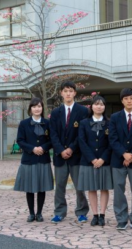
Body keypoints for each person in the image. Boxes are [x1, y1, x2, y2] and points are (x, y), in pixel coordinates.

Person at [49, 81, 89, 223]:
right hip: (60, 156)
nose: (68, 93)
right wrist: (61, 150)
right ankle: (59, 212)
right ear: (61, 93)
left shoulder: (83, 111)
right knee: (59, 186)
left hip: (76, 155)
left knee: (80, 186)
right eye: (65, 91)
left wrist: (71, 148)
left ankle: (82, 211)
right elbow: (52, 134)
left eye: (71, 91)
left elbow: (82, 134)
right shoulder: (55, 113)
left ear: (75, 93)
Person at [108, 88, 132, 230]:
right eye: (126, 98)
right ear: (122, 101)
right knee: (118, 189)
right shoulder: (114, 117)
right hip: (118, 160)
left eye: (131, 98)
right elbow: (112, 139)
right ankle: (121, 218)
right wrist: (123, 154)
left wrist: (131, 155)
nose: (129, 101)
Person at [14, 97, 53, 222]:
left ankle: (39, 213)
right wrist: (32, 149)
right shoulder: (24, 123)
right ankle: (31, 213)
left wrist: (43, 147)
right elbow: (20, 140)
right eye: (34, 106)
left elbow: (52, 140)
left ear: (42, 108)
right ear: (30, 109)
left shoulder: (47, 123)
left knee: (41, 187)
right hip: (29, 159)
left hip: (43, 158)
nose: (37, 109)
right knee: (29, 188)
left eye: (39, 106)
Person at [77, 95, 112, 227]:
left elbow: (111, 143)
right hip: (88, 161)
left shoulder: (109, 123)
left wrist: (102, 158)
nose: (99, 106)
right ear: (92, 106)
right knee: (91, 188)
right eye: (96, 104)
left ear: (104, 107)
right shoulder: (84, 123)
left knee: (104, 188)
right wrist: (92, 159)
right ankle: (95, 215)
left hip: (105, 161)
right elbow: (82, 141)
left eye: (102, 104)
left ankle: (102, 215)